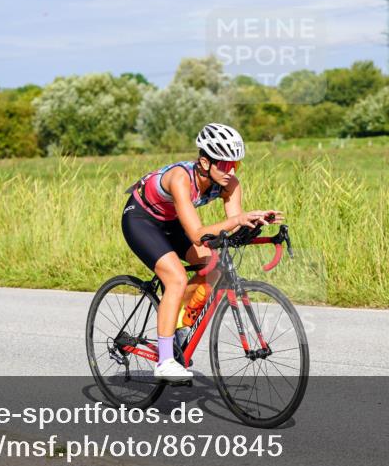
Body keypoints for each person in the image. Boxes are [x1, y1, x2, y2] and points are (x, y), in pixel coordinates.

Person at [121, 123, 283, 381]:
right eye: (225, 165)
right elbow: (197, 234)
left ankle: (179, 324)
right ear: (205, 162)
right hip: (141, 220)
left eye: (236, 165)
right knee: (176, 278)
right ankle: (164, 361)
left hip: (171, 222)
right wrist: (239, 220)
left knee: (215, 267)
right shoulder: (180, 178)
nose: (231, 172)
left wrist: (254, 223)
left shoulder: (229, 184)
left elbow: (233, 223)